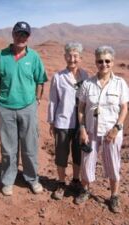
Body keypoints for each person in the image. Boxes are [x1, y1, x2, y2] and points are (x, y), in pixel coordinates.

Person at [0, 21, 47, 196]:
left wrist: (37, 99)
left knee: (30, 146)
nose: (21, 37)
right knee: (8, 148)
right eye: (18, 34)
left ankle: (32, 178)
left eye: (24, 35)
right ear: (12, 34)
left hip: (28, 107)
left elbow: (40, 81)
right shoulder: (1, 55)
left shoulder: (34, 57)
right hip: (6, 108)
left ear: (28, 37)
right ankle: (8, 180)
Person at [75, 46, 128, 213]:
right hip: (90, 130)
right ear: (95, 62)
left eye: (107, 61)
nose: (103, 64)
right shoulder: (87, 84)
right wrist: (82, 129)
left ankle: (114, 196)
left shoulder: (120, 83)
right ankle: (85, 190)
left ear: (112, 62)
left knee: (113, 162)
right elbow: (81, 108)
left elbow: (124, 108)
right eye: (100, 61)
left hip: (111, 132)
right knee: (87, 162)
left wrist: (117, 128)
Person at [48, 42, 88, 200]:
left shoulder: (85, 76)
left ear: (80, 58)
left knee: (78, 154)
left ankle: (76, 181)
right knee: (61, 154)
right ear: (65, 57)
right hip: (62, 122)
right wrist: (51, 122)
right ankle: (61, 183)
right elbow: (53, 101)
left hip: (81, 123)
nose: (72, 59)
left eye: (76, 56)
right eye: (69, 56)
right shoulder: (58, 77)